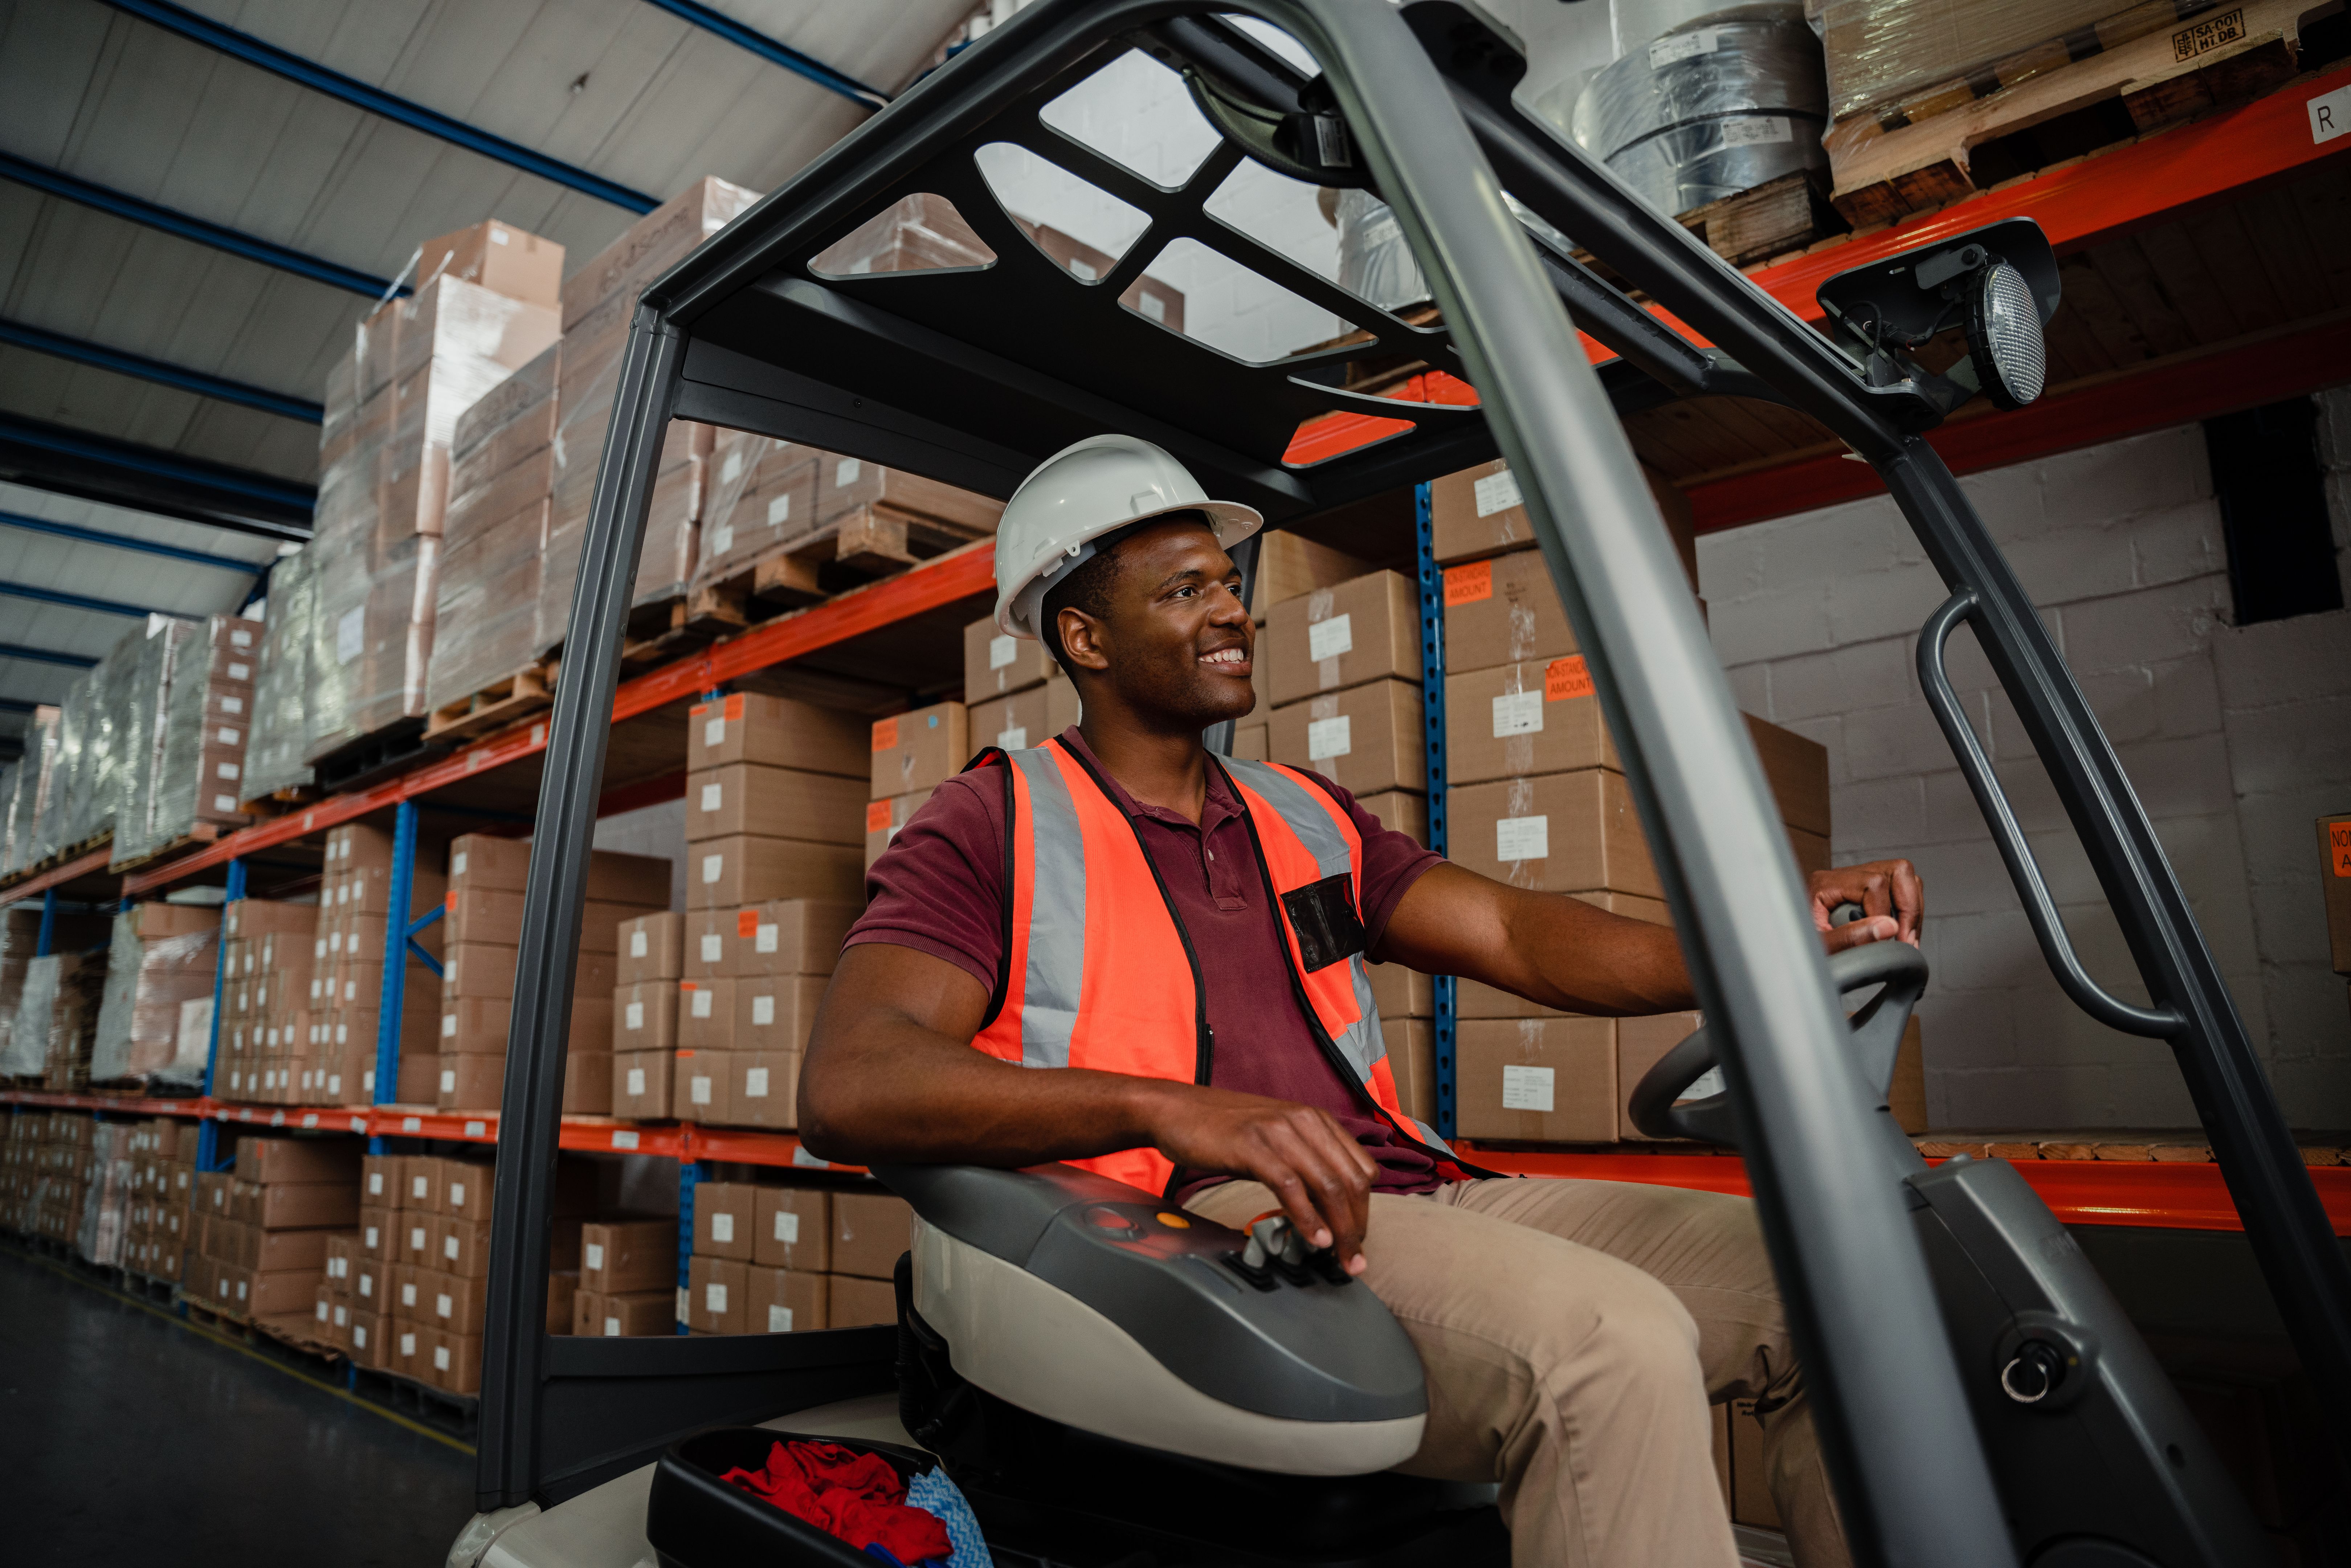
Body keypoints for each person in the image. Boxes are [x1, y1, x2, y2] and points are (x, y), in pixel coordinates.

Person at [800, 435, 1924, 1568]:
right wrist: (1170, 1109)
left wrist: (1765, 934)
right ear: (1085, 639)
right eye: (1184, 592)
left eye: (1229, 584)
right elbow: (854, 1080)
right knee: (1609, 1345)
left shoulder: (1304, 814)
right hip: (1189, 1221)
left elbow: (1515, 934)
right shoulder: (994, 822)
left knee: (1841, 1280)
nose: (1231, 612)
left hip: (1404, 1187)